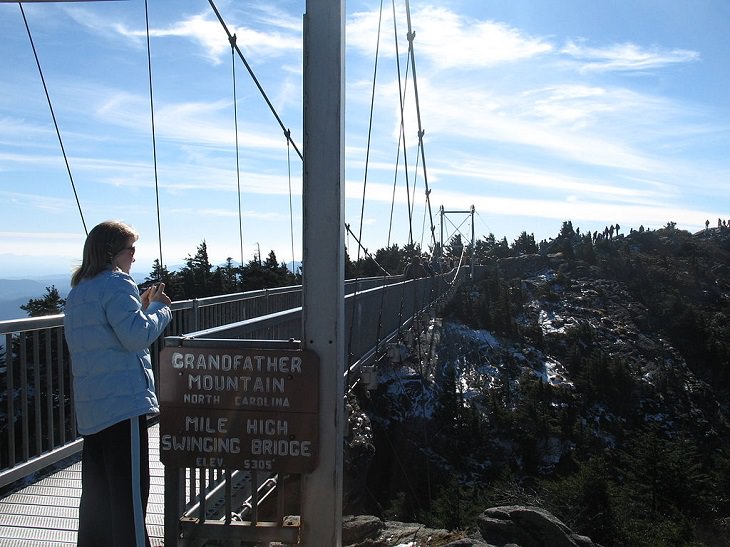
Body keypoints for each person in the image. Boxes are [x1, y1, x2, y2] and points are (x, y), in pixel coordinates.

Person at [63, 220, 172, 547]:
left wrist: (137, 308)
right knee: (129, 499)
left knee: (98, 498)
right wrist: (159, 310)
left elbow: (105, 338)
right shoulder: (116, 284)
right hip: (123, 406)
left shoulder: (79, 290)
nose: (134, 257)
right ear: (114, 252)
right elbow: (136, 337)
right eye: (131, 249)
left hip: (93, 409)